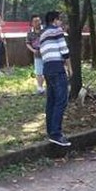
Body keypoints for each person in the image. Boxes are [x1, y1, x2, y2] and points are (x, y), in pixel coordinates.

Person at [39, 11, 72, 147]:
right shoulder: (57, 31)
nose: (61, 22)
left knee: (51, 101)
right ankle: (56, 133)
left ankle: (51, 131)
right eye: (59, 20)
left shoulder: (42, 35)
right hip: (58, 68)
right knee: (61, 101)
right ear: (54, 20)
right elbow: (64, 51)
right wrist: (70, 68)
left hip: (47, 69)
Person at [25, 14, 45, 94]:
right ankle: (40, 87)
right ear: (32, 23)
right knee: (39, 71)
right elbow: (27, 43)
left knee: (47, 70)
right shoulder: (30, 32)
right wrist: (33, 50)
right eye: (35, 21)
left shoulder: (45, 30)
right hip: (37, 54)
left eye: (39, 20)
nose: (38, 23)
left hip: (47, 54)